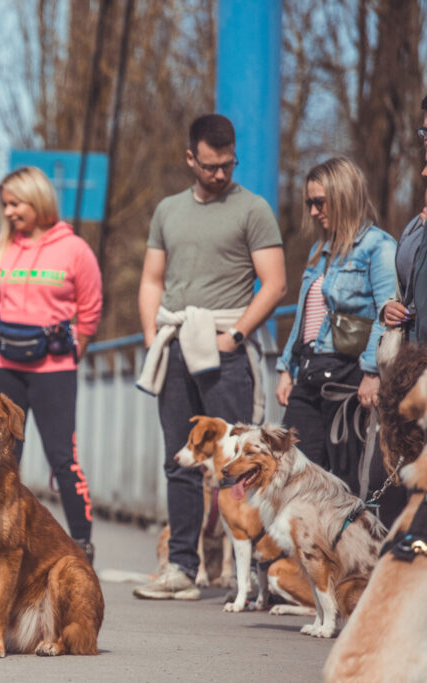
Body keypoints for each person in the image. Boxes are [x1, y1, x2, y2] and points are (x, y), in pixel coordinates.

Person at [134, 114, 286, 600]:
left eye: (228, 164)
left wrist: (237, 337)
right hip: (176, 341)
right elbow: (152, 280)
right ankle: (181, 567)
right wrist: (149, 335)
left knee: (241, 462)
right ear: (190, 159)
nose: (220, 174)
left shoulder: (254, 209)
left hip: (224, 345)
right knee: (179, 460)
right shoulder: (168, 211)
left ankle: (260, 575)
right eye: (210, 166)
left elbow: (276, 282)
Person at [0, 166, 103, 563]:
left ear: (38, 200)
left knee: (62, 458)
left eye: (16, 203)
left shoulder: (75, 250)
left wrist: (73, 351)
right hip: (2, 365)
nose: (10, 211)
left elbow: (90, 310)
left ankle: (81, 543)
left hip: (53, 369)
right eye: (5, 205)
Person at [274, 158, 396, 495]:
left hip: (348, 375)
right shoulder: (319, 251)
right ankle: (301, 549)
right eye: (309, 203)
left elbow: (389, 315)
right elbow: (304, 317)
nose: (313, 211)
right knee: (291, 478)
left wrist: (372, 372)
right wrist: (287, 366)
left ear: (343, 196)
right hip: (310, 372)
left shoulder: (379, 248)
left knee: (343, 484)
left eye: (319, 202)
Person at [381, 94, 427, 343]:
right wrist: (391, 308)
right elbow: (406, 290)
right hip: (411, 361)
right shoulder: (414, 227)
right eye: (425, 133)